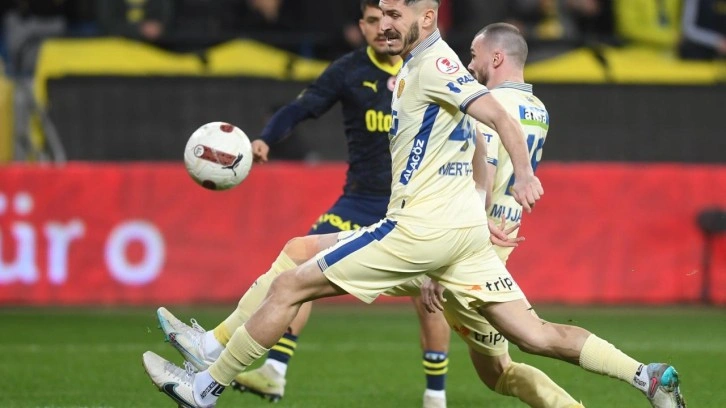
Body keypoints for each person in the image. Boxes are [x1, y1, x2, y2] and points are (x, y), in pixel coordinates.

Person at [141, 2, 685, 408]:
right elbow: (480, 147)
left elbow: (488, 138)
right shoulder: (534, 106)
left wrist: (511, 187)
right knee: (527, 343)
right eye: (379, 16)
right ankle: (647, 377)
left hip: (428, 231)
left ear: (427, 19)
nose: (384, 24)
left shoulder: (443, 71)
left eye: (395, 14)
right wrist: (483, 213)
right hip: (470, 244)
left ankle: (206, 380)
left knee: (292, 279)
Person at [172, 2, 453, 407]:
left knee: (429, 296)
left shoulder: (430, 68)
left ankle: (435, 396)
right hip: (360, 199)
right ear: (360, 26)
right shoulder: (348, 71)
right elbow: (301, 107)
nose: (381, 28)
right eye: (372, 20)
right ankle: (273, 371)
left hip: (415, 204)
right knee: (300, 267)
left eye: (388, 19)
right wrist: (267, 137)